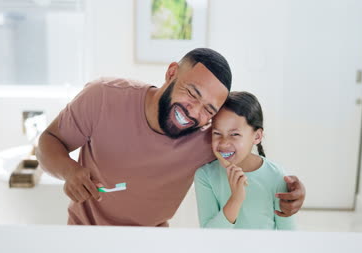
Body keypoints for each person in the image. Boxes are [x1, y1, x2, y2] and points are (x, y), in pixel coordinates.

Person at [36, 48, 305, 226]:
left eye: (208, 110)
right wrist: (69, 171)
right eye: (192, 93)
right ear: (172, 72)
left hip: (153, 243)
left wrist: (290, 189)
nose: (193, 112)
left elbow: (244, 155)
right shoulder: (103, 97)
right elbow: (48, 141)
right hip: (85, 234)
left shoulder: (205, 140)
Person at [194, 91, 296, 229]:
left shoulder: (277, 177)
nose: (223, 143)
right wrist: (236, 199)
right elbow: (209, 236)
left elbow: (289, 235)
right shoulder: (205, 176)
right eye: (217, 133)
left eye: (234, 134)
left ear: (257, 136)